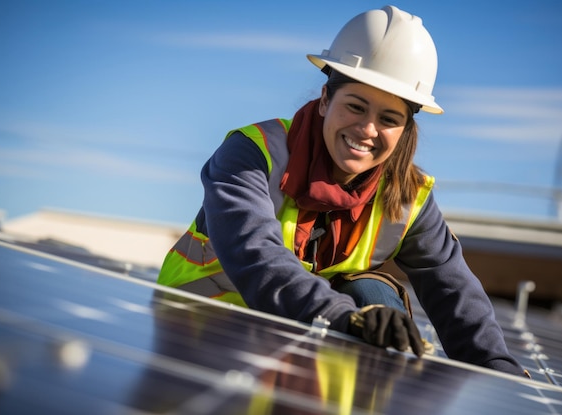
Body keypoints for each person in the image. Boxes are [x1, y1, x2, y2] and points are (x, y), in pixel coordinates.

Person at [157, 5, 526, 376]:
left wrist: (499, 371)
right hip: (197, 330)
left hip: (295, 347)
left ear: (405, 130)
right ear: (324, 100)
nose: (367, 129)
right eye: (355, 106)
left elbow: (455, 294)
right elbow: (255, 255)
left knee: (375, 296)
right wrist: (346, 319)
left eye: (388, 119)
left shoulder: (409, 198)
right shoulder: (253, 154)